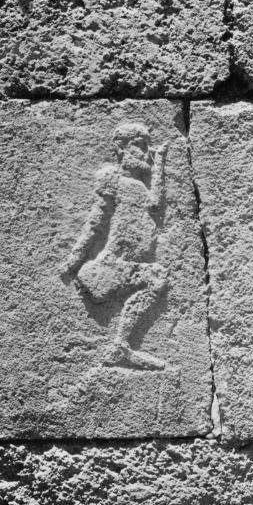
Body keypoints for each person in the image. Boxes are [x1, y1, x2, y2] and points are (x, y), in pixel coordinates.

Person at [61, 123, 170, 370]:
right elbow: (95, 223)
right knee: (157, 277)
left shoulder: (139, 186)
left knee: (157, 278)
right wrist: (73, 261)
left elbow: (155, 203)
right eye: (139, 146)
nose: (146, 153)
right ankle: (120, 346)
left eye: (148, 147)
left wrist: (160, 164)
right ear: (121, 148)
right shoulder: (113, 179)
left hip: (128, 265)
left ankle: (120, 346)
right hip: (111, 266)